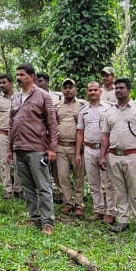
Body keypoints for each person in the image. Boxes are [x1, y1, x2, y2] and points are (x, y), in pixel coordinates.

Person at [8, 63, 58, 235]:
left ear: (31, 76)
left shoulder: (43, 96)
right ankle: (35, 219)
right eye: (17, 75)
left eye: (22, 75)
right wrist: (10, 149)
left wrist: (52, 149)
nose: (18, 78)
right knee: (27, 187)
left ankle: (48, 222)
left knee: (43, 186)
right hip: (19, 148)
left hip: (37, 149)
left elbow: (52, 123)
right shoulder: (15, 98)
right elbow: (11, 124)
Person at [100, 78, 136, 236]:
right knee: (120, 191)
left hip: (133, 155)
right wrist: (102, 156)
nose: (118, 90)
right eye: (116, 88)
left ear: (129, 90)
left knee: (135, 191)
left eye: (121, 88)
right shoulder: (109, 111)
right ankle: (123, 221)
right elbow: (105, 136)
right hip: (114, 156)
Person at [77, 81, 116, 222]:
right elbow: (80, 132)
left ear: (100, 91)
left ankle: (111, 211)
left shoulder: (109, 108)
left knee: (108, 182)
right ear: (87, 92)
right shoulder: (83, 110)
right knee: (93, 182)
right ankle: (98, 210)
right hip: (88, 149)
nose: (92, 92)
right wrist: (77, 153)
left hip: (104, 149)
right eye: (90, 90)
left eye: (95, 90)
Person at [54, 79, 85, 216]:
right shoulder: (57, 106)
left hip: (76, 147)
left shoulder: (82, 105)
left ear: (75, 89)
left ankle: (79, 203)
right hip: (61, 146)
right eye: (65, 88)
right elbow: (53, 125)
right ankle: (68, 202)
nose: (68, 90)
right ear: (62, 90)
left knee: (79, 176)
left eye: (70, 87)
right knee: (63, 176)